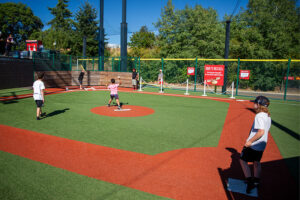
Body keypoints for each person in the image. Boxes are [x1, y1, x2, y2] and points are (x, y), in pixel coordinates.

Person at [240, 96, 271, 193]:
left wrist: (250, 141)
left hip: (255, 144)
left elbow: (261, 131)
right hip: (262, 144)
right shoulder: (267, 115)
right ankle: (256, 181)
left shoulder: (259, 116)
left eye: (255, 103)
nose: (253, 104)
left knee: (242, 160)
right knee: (256, 162)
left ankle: (250, 182)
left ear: (259, 105)